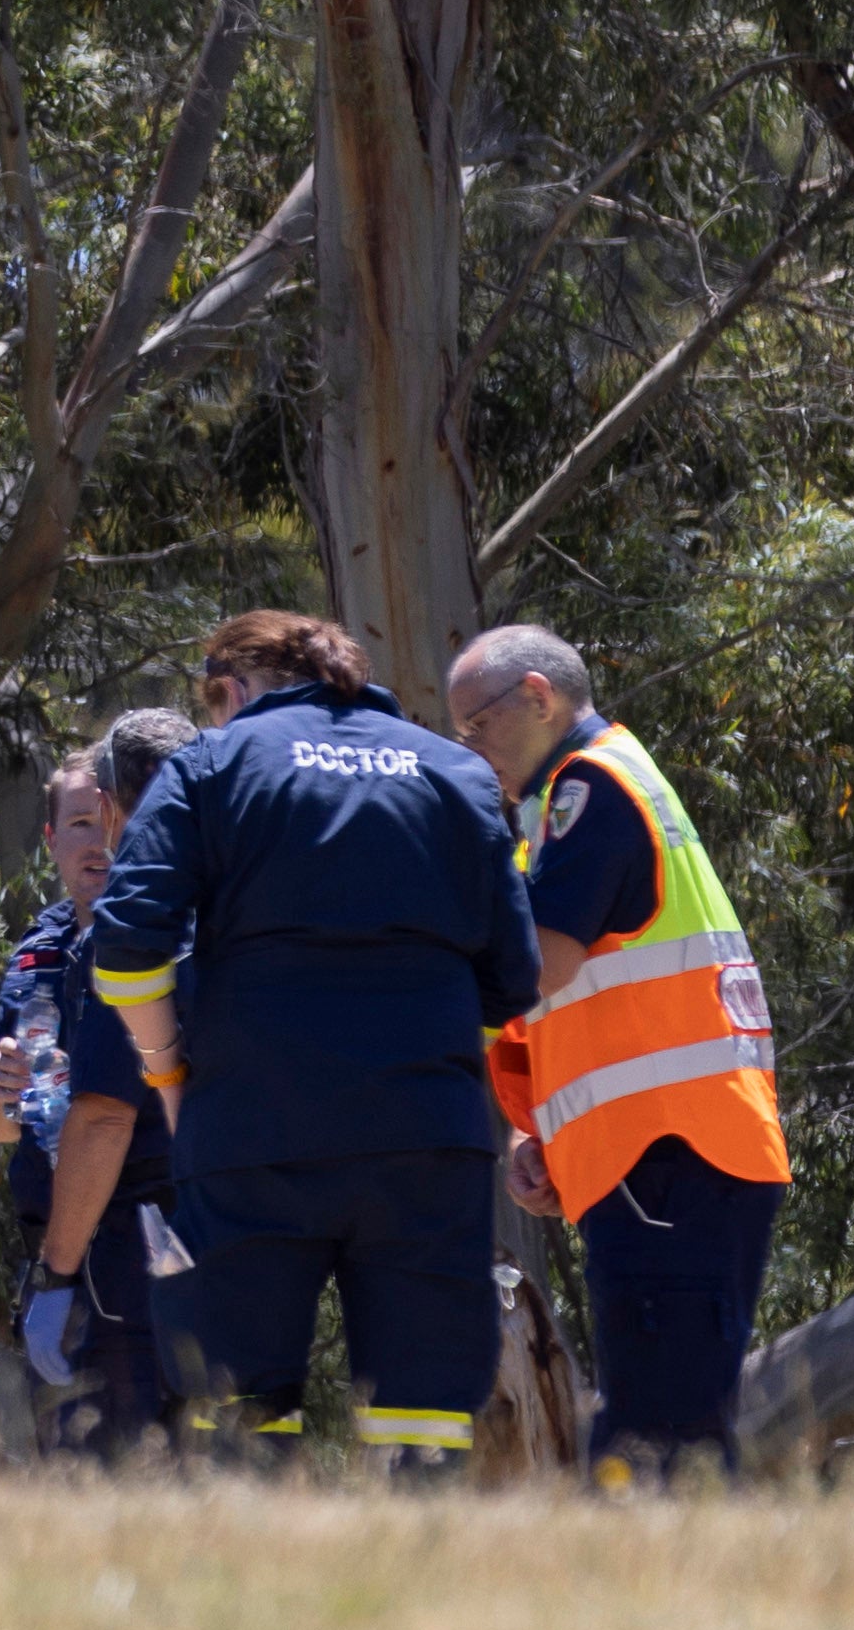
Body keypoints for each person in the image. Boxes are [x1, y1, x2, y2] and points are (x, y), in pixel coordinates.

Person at [82, 608, 531, 1470]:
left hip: (251, 1131)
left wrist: (171, 1078)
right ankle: (416, 1583)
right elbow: (511, 976)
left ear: (232, 688)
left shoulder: (212, 764)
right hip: (426, 1138)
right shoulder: (457, 774)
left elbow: (130, 941)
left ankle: (255, 1589)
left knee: (240, 1402)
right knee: (425, 1411)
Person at [446, 624, 789, 1486]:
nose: (470, 749)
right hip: (670, 1155)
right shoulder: (593, 789)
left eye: (476, 724)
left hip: (671, 1154)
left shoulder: (587, 788)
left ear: (538, 695)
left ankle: (667, 1607)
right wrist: (548, 1139)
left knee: (653, 1433)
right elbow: (590, 1000)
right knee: (666, 1422)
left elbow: (540, 962)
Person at [0, 704, 201, 1461]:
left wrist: (63, 1273)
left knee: (142, 1458)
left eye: (103, 818)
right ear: (50, 842)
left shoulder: (166, 925)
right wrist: (3, 1093)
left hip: (142, 1234)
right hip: (56, 1242)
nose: (96, 841)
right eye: (76, 824)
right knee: (77, 1457)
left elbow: (105, 1117)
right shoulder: (38, 951)